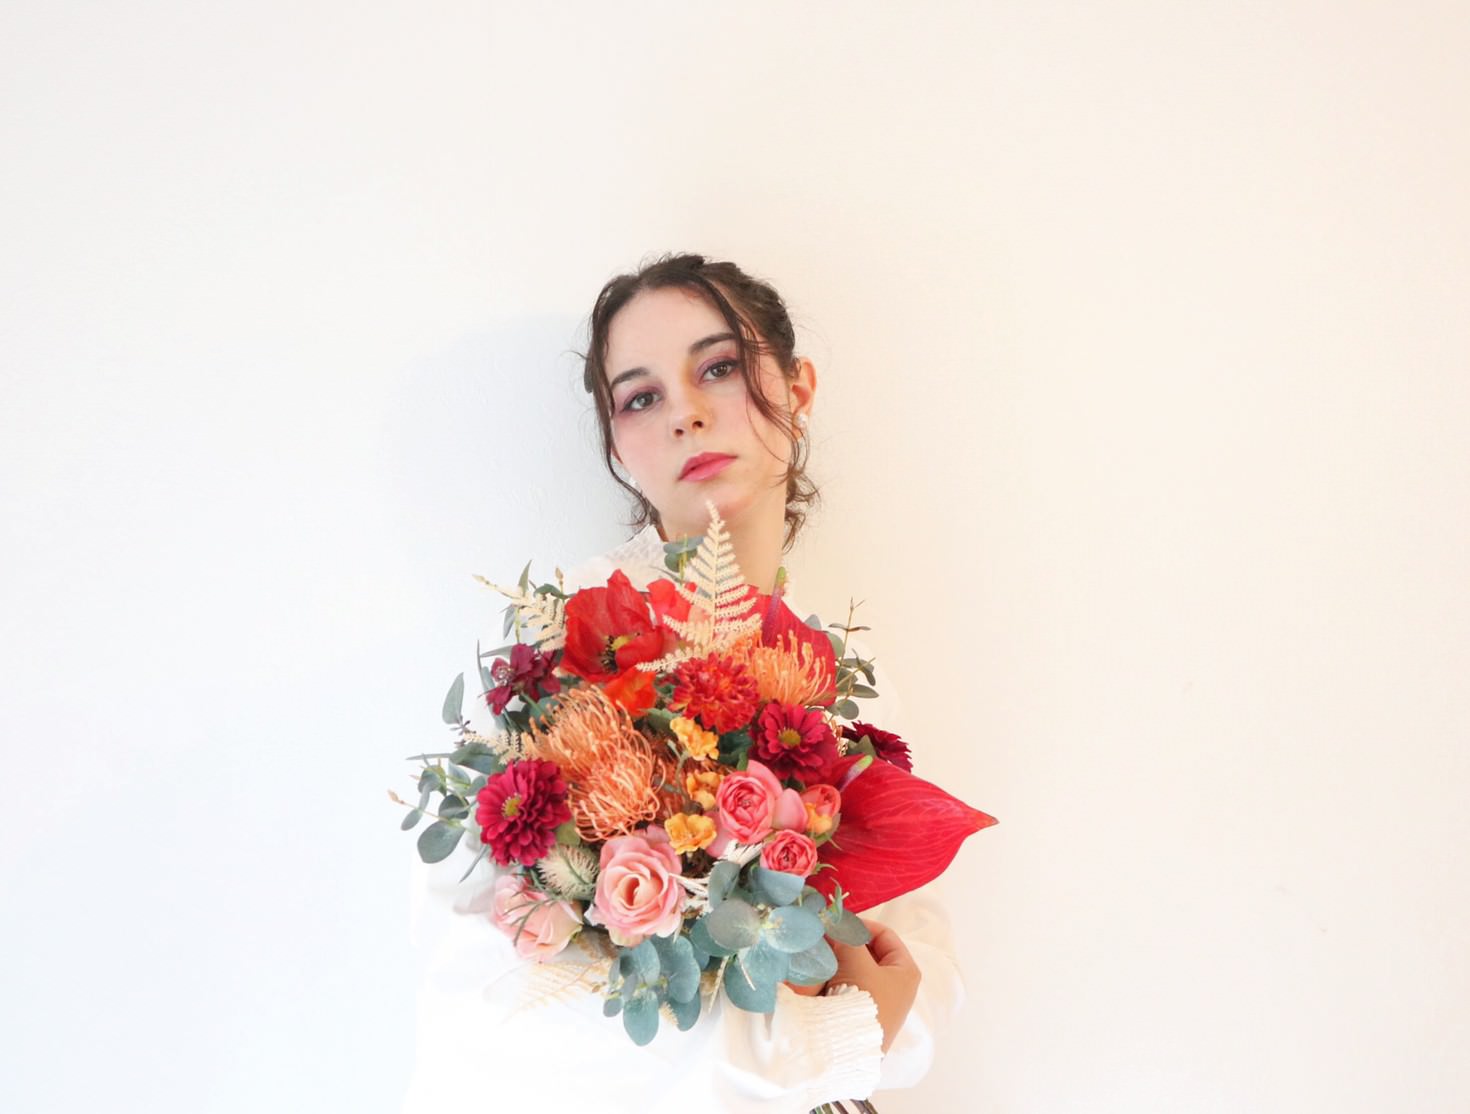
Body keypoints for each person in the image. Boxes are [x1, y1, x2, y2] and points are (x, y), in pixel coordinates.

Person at [402, 254, 963, 1113]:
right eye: (641, 397)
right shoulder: (560, 654)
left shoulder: (846, 683)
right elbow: (488, 1009)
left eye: (720, 367)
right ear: (617, 446)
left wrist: (856, 1029)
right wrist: (827, 1038)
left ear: (799, 389)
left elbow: (921, 983)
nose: (686, 414)